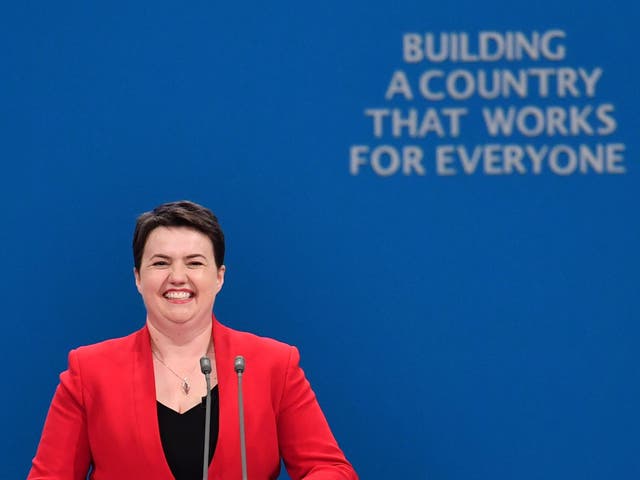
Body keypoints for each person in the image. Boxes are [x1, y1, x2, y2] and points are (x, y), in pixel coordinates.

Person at [28, 200, 358, 480]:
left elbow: (329, 468)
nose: (177, 277)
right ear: (138, 278)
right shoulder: (89, 371)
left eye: (194, 263)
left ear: (219, 277)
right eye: (160, 263)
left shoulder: (273, 364)